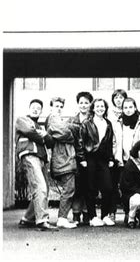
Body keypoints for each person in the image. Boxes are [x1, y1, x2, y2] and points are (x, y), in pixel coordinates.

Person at [16, 99, 57, 231]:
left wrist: (45, 135)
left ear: (41, 111)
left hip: (41, 159)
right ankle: (42, 220)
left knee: (43, 189)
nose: (35, 109)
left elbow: (51, 143)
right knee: (40, 187)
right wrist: (43, 137)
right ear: (29, 108)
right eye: (33, 107)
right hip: (30, 155)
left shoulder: (40, 127)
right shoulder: (22, 119)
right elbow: (28, 131)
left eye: (38, 108)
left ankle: (27, 219)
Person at [77, 98, 116, 227]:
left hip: (103, 159)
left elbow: (110, 143)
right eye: (97, 106)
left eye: (102, 106)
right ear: (93, 108)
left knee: (108, 187)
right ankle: (93, 217)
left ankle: (105, 215)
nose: (100, 108)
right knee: (90, 188)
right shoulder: (87, 123)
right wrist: (82, 159)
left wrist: (110, 159)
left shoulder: (108, 123)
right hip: (90, 158)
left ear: (105, 109)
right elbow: (81, 142)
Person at [46, 97, 81, 229]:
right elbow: (65, 133)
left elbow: (63, 131)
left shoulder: (58, 120)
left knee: (69, 188)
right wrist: (73, 134)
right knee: (68, 189)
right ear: (51, 107)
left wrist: (68, 127)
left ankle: (63, 217)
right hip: (63, 160)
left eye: (61, 106)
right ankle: (62, 218)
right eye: (56, 106)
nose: (59, 108)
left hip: (65, 159)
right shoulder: (53, 118)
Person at [70, 91, 93, 225]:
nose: (83, 105)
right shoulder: (72, 120)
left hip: (90, 157)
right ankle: (76, 213)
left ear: (90, 104)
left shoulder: (93, 119)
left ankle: (87, 213)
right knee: (77, 186)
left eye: (86, 103)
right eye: (81, 103)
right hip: (76, 157)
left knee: (89, 186)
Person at [109, 89, 128, 222]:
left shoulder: (130, 113)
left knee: (126, 185)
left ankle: (128, 212)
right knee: (112, 185)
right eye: (116, 97)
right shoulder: (109, 115)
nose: (118, 100)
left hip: (127, 156)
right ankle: (112, 212)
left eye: (121, 97)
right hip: (113, 155)